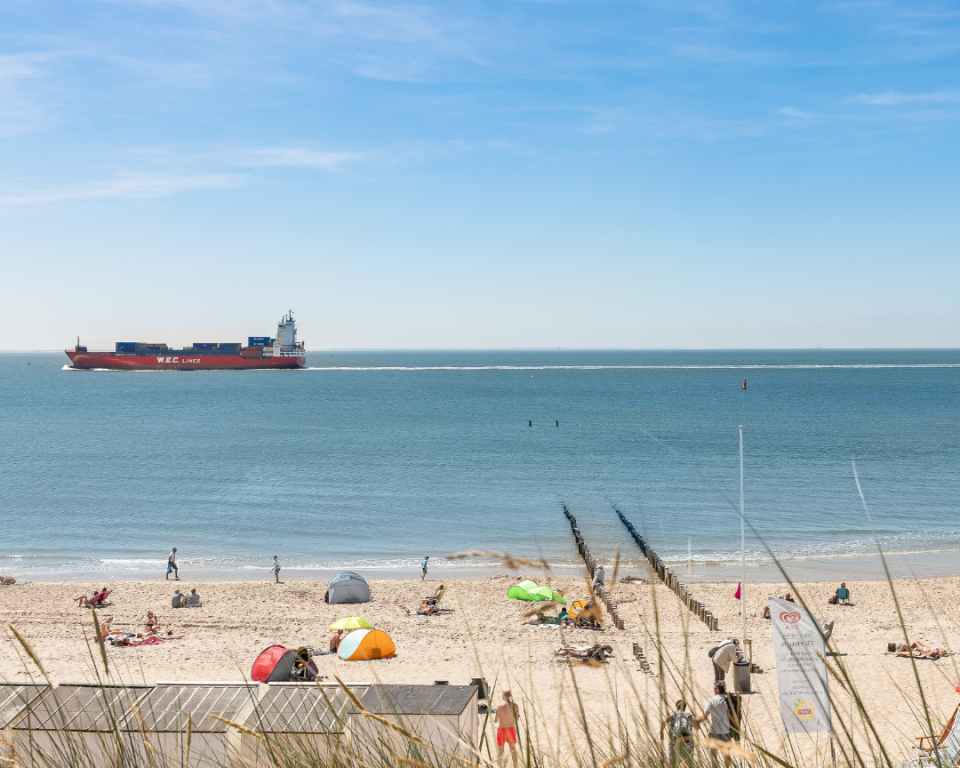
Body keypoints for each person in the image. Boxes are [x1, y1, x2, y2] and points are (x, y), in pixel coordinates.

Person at [697, 682, 732, 768]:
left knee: (713, 755)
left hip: (714, 732)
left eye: (714, 689)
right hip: (726, 732)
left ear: (717, 690)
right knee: (727, 755)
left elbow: (704, 717)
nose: (714, 690)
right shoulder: (729, 700)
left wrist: (696, 721)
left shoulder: (711, 701)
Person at [661, 699, 697, 768]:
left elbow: (663, 722)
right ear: (685, 707)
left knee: (672, 764)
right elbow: (697, 727)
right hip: (688, 743)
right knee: (688, 764)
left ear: (676, 707)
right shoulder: (689, 716)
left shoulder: (673, 714)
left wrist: (661, 734)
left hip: (675, 742)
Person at [494, 690, 520, 768]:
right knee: (513, 751)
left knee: (500, 752)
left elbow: (495, 721)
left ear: (503, 696)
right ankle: (515, 766)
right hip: (511, 729)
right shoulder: (515, 705)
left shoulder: (499, 706)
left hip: (502, 730)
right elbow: (517, 718)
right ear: (510, 696)